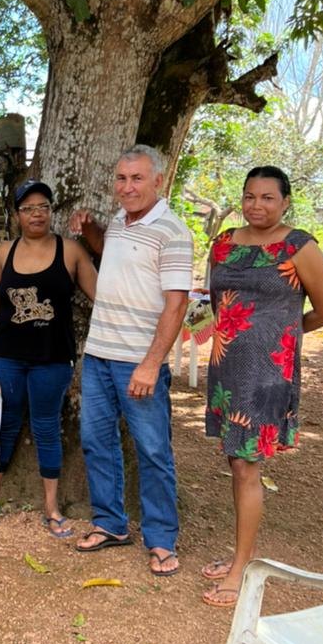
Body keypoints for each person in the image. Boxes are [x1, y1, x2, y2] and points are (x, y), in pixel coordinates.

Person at [201, 166, 323, 607]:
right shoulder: (224, 243)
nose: (256, 205)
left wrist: (279, 337)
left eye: (267, 198)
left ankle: (241, 567)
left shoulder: (299, 246)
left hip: (266, 376)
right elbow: (217, 303)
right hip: (227, 369)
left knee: (247, 466)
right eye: (249, 196)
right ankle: (241, 553)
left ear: (285, 202)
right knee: (236, 462)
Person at [69, 144, 192, 576]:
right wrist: (92, 229)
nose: (127, 187)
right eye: (121, 178)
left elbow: (177, 304)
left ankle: (161, 539)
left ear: (158, 180)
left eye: (137, 178)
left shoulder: (173, 231)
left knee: (153, 450)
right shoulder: (121, 220)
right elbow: (112, 252)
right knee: (96, 441)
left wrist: (150, 364)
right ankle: (110, 523)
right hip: (99, 355)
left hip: (138, 362)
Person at [0, 180, 97, 535]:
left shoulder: (70, 251)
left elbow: (103, 296)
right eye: (28, 208)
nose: (36, 214)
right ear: (17, 215)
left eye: (43, 206)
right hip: (7, 356)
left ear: (51, 211)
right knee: (5, 424)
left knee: (46, 427)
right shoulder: (4, 251)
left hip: (52, 357)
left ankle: (51, 507)